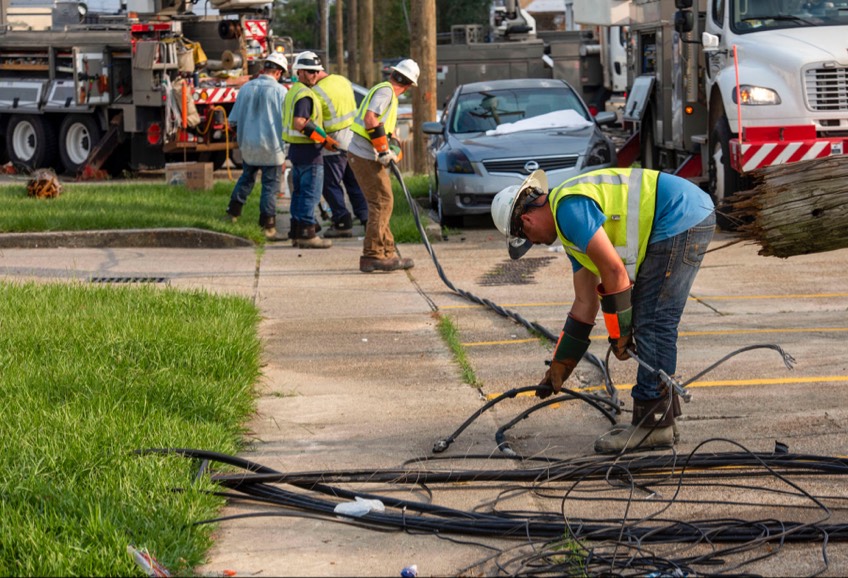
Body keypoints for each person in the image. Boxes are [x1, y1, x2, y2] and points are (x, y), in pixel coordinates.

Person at [491, 168, 716, 453]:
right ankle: (658, 420)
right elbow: (585, 303)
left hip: (679, 214)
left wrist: (620, 333)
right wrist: (561, 365)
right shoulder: (572, 236)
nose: (533, 243)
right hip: (683, 212)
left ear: (526, 220)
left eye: (528, 238)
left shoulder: (569, 209)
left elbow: (614, 271)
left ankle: (653, 425)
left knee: (654, 322)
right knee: (651, 320)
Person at [348, 58, 420, 272]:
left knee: (384, 201)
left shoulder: (386, 93)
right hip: (364, 155)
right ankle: (373, 254)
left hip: (365, 154)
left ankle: (387, 252)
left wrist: (390, 148)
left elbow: (383, 128)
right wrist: (382, 150)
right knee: (381, 202)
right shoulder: (387, 92)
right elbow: (371, 119)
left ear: (394, 74)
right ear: (408, 85)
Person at [292, 51, 368, 238]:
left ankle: (342, 222)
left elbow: (309, 121)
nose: (299, 78)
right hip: (354, 140)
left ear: (313, 72)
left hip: (333, 143)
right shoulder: (342, 80)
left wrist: (320, 139)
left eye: (301, 73)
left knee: (330, 184)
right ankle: (367, 220)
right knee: (354, 183)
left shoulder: (315, 92)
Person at [225, 52, 289, 239]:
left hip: (249, 145)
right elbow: (286, 123)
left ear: (264, 69)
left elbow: (233, 121)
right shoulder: (281, 92)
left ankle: (232, 213)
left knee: (246, 178)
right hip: (272, 146)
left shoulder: (245, 89)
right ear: (278, 73)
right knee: (270, 186)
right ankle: (268, 227)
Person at [282, 54, 334, 249]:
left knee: (299, 194)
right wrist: (325, 139)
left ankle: (296, 232)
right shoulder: (305, 94)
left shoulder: (294, 91)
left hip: (297, 152)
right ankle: (307, 234)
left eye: (316, 71)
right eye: (310, 71)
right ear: (299, 72)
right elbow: (300, 123)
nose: (314, 75)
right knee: (310, 195)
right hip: (310, 152)